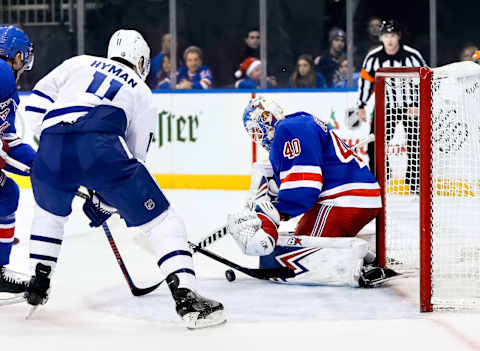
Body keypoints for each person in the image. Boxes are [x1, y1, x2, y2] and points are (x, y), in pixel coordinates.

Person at [22, 29, 225, 329]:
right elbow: (134, 158)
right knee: (163, 222)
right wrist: (106, 202)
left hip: (51, 144)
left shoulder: (79, 62)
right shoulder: (142, 92)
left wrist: (46, 140)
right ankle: (186, 296)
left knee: (49, 215)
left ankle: (38, 283)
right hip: (99, 145)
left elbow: (39, 95)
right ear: (141, 60)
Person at [227, 95, 397, 287]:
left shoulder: (288, 130)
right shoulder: (296, 125)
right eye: (254, 133)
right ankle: (367, 257)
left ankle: (359, 268)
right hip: (352, 197)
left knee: (300, 251)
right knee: (300, 237)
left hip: (343, 199)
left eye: (258, 129)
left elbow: (305, 186)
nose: (259, 136)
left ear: (268, 118)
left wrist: (278, 211)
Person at [357, 19, 426, 191]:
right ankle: (379, 179)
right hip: (384, 107)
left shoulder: (412, 56)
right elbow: (365, 81)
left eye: (393, 35)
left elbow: (425, 80)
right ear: (380, 38)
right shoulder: (373, 58)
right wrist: (361, 105)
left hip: (411, 107)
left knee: (415, 142)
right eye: (386, 35)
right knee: (375, 144)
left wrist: (419, 104)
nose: (390, 40)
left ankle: (414, 181)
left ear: (399, 37)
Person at [0, 25, 36, 295]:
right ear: (16, 55)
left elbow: (7, 142)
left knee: (7, 191)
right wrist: (41, 167)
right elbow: (9, 144)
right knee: (7, 194)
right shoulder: (4, 76)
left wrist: (34, 166)